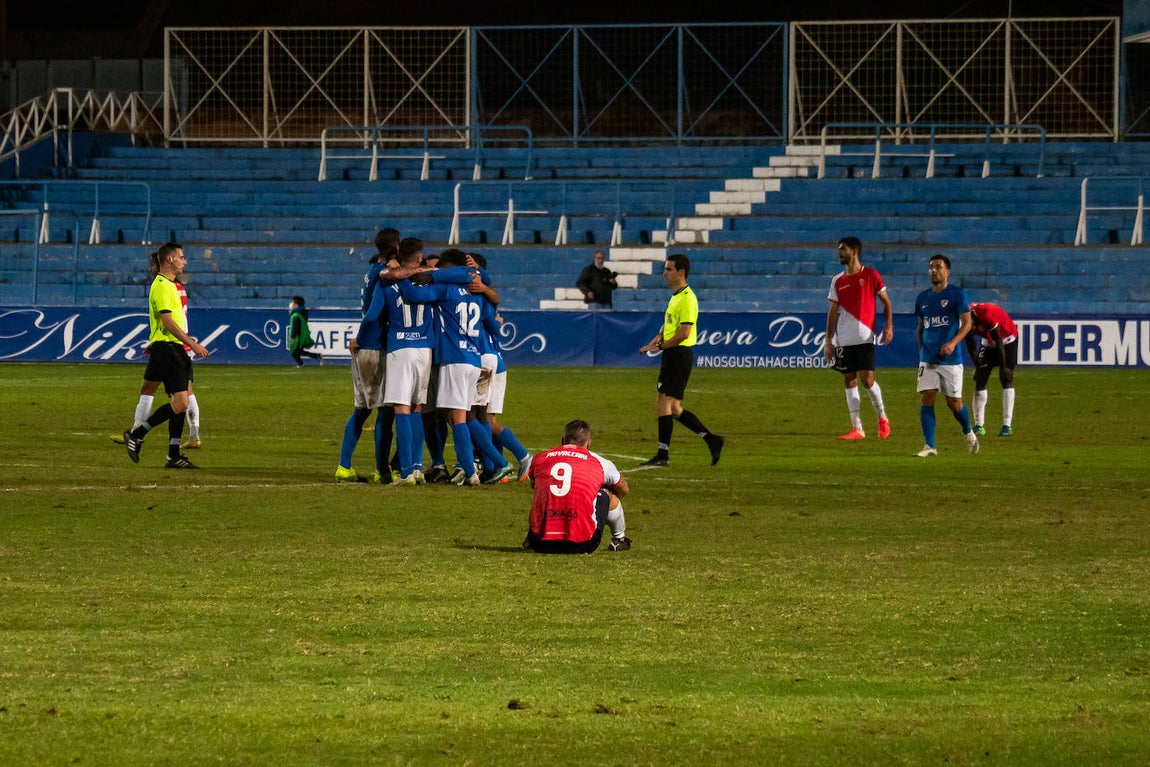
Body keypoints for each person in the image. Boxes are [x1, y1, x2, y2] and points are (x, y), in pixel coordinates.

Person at [121, 243, 211, 469]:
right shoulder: (162, 286)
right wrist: (192, 343)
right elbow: (168, 322)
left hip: (170, 348)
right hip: (171, 349)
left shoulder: (169, 285)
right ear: (169, 260)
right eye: (181, 257)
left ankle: (173, 454)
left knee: (178, 400)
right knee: (181, 402)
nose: (185, 261)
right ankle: (138, 434)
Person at [638, 253, 724, 468]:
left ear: (681, 272)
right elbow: (670, 324)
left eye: (668, 269)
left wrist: (660, 346)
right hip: (672, 355)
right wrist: (658, 338)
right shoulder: (676, 296)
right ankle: (711, 439)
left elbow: (684, 333)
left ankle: (663, 455)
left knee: (664, 402)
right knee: (674, 408)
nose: (664, 274)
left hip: (679, 354)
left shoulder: (687, 298)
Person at [524, 419, 632, 554]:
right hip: (583, 544)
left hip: (540, 543)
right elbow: (624, 489)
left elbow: (534, 486)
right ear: (589, 443)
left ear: (563, 440)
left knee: (543, 492)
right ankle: (619, 539)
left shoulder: (540, 458)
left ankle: (529, 539)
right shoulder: (600, 463)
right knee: (605, 494)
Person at [824, 236, 893, 440]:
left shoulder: (871, 275)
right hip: (844, 339)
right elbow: (832, 312)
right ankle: (857, 428)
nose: (839, 252)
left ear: (854, 251)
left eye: (843, 249)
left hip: (865, 337)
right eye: (839, 249)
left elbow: (886, 303)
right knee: (848, 379)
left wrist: (888, 326)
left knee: (867, 379)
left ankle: (882, 417)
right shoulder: (837, 280)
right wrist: (829, 340)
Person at [914, 254, 978, 458]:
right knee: (927, 397)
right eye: (931, 267)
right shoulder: (922, 298)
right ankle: (929, 446)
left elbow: (967, 323)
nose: (933, 270)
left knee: (954, 404)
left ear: (947, 272)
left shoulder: (957, 294)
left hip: (951, 359)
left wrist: (952, 343)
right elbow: (921, 327)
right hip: (928, 357)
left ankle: (968, 431)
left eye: (938, 267)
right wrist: (921, 353)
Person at [964, 301, 1019, 437]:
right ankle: (979, 425)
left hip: (1006, 339)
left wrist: (1004, 366)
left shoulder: (987, 314)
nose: (972, 332)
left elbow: (999, 341)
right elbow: (969, 343)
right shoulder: (964, 318)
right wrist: (977, 366)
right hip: (988, 342)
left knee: (1006, 378)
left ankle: (1007, 425)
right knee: (980, 380)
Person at [288, 296, 323, 367]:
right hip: (302, 335)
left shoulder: (295, 315)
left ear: (296, 305)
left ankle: (300, 364)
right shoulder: (301, 314)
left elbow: (295, 327)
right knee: (299, 351)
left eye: (292, 302)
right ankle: (316, 356)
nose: (290, 304)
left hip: (298, 337)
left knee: (293, 351)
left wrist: (292, 337)